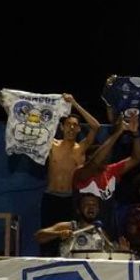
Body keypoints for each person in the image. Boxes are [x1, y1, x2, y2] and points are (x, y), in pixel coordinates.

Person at [41, 94, 103, 256]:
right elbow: (33, 122)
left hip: (69, 198)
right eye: (68, 124)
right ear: (62, 127)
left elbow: (96, 126)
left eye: (74, 125)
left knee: (68, 237)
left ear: (78, 129)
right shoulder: (51, 144)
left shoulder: (80, 148)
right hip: (51, 197)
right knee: (47, 235)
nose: (70, 128)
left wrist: (75, 103)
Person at [35, 193, 111, 258]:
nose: (91, 207)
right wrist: (58, 234)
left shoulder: (101, 232)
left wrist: (121, 249)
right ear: (78, 210)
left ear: (98, 210)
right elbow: (38, 236)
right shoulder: (68, 226)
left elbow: (110, 254)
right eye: (86, 204)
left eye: (94, 204)